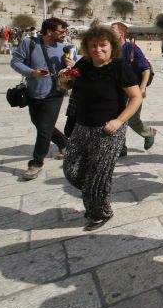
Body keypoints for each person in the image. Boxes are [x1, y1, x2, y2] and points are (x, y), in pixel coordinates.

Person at [60, 24, 142, 231]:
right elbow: (70, 87)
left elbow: (135, 97)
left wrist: (119, 121)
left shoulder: (119, 68)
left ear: (111, 46)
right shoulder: (84, 64)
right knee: (71, 169)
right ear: (87, 48)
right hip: (82, 126)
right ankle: (94, 191)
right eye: (93, 46)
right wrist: (64, 79)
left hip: (109, 130)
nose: (98, 50)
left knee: (98, 175)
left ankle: (100, 212)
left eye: (102, 45)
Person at [10, 17, 73, 181]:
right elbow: (15, 62)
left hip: (55, 93)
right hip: (34, 92)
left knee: (44, 129)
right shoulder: (29, 43)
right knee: (41, 125)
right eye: (61, 31)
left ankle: (36, 163)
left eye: (65, 31)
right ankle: (65, 144)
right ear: (49, 31)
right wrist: (31, 73)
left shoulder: (64, 47)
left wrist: (71, 66)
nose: (64, 34)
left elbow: (73, 71)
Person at [110, 21, 157, 155]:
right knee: (117, 117)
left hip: (133, 91)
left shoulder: (132, 48)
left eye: (112, 30)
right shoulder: (110, 49)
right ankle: (121, 147)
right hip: (116, 91)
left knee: (132, 119)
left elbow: (145, 69)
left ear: (121, 34)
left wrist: (142, 88)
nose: (109, 32)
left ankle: (149, 133)